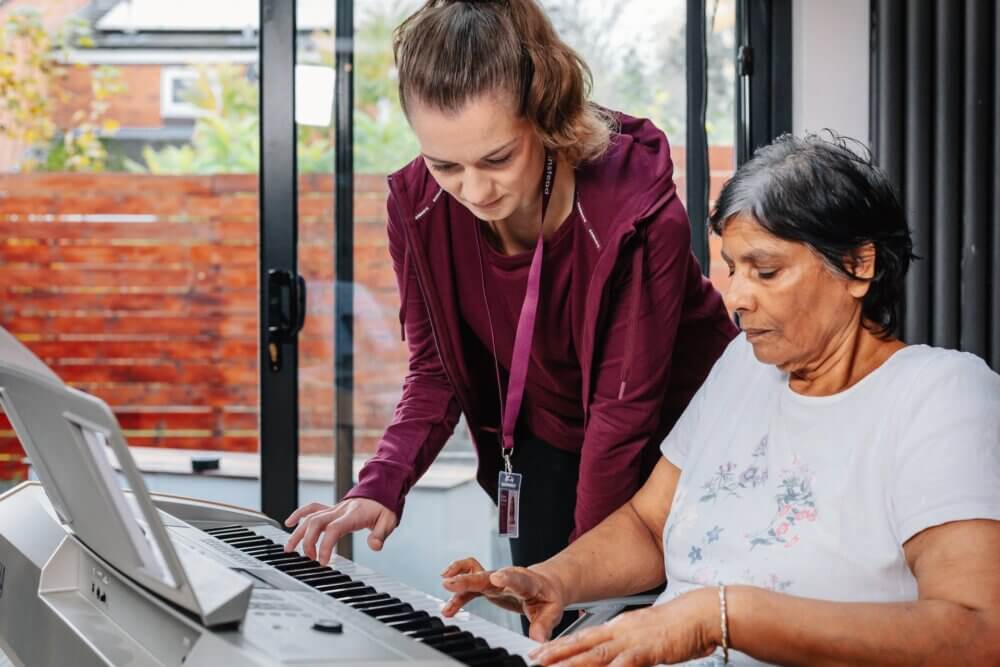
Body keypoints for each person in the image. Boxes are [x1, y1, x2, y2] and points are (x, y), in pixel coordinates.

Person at [438, 133, 1000, 665]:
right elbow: (648, 525)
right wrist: (554, 578)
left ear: (857, 266)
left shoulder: (941, 395)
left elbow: (976, 633)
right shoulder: (743, 368)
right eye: (733, 269)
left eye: (767, 270)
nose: (738, 299)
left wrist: (720, 617)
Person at [283, 0, 736, 624]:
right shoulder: (417, 207)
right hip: (547, 437)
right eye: (445, 165)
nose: (473, 190)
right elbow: (436, 368)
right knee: (543, 619)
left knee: (636, 626)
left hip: (677, 437)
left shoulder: (638, 210)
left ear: (547, 116)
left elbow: (622, 412)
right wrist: (381, 483)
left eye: (497, 159)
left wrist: (577, 576)